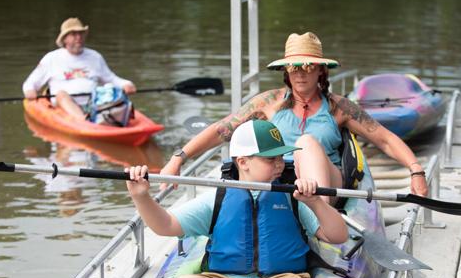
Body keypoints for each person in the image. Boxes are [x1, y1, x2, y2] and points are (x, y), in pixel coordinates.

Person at [125, 120, 349, 278]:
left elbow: (337, 235)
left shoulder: (292, 197)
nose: (279, 164)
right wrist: (141, 196)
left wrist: (317, 203)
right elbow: (166, 225)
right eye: (269, 159)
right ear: (242, 162)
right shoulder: (217, 198)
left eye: (280, 157)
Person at [159, 32, 428, 200]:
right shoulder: (268, 102)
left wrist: (415, 170)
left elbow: (384, 139)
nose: (300, 73)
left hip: (326, 184)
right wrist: (177, 159)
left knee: (308, 144)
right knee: (250, 162)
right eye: (293, 67)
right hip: (276, 179)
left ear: (321, 72)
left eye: (308, 67)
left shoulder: (339, 107)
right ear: (286, 72)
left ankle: (317, 221)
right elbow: (222, 130)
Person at [22, 17, 137, 121]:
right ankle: (83, 121)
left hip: (94, 104)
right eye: (74, 34)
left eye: (81, 34)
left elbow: (111, 78)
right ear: (64, 39)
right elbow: (30, 83)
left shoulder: (95, 57)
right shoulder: (51, 58)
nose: (79, 37)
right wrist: (30, 91)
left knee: (109, 90)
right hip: (63, 107)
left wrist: (126, 84)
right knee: (61, 94)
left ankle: (107, 119)